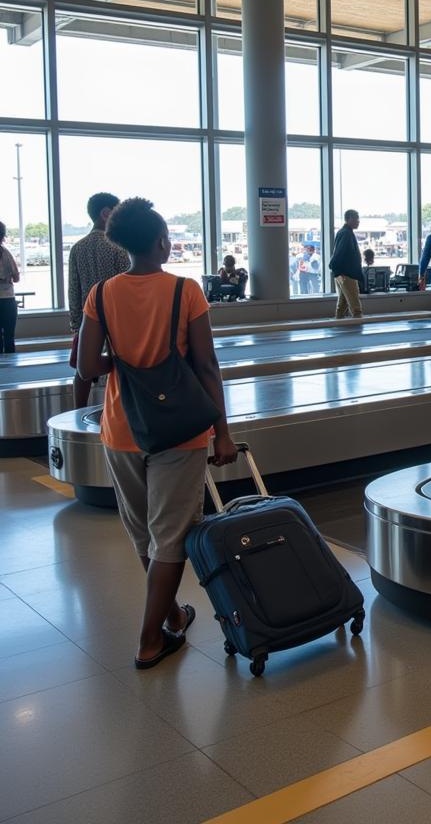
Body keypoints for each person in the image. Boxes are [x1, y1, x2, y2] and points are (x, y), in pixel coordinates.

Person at [76, 198, 237, 669]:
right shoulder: (185, 291)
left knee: (143, 529)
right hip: (180, 430)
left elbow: (87, 366)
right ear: (163, 240)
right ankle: (150, 640)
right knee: (171, 534)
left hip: (123, 427)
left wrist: (124, 364)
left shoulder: (101, 294)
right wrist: (221, 432)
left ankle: (171, 617)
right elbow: (206, 365)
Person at [67, 192, 130, 407]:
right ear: (106, 213)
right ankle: (121, 409)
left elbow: (73, 289)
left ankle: (78, 411)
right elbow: (126, 283)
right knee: (121, 364)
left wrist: (76, 325)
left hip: (87, 317)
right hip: (117, 317)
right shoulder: (118, 246)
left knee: (82, 370)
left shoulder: (77, 248)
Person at [329, 209, 363, 318]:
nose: (358, 222)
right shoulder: (346, 234)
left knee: (342, 305)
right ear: (349, 219)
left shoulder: (344, 232)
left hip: (341, 273)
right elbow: (339, 253)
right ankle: (358, 330)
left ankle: (339, 325)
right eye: (356, 219)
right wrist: (338, 271)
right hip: (346, 274)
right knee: (355, 306)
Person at [0, 221, 19, 353]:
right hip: (8, 299)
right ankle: (12, 371)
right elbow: (17, 277)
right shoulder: (7, 254)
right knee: (9, 339)